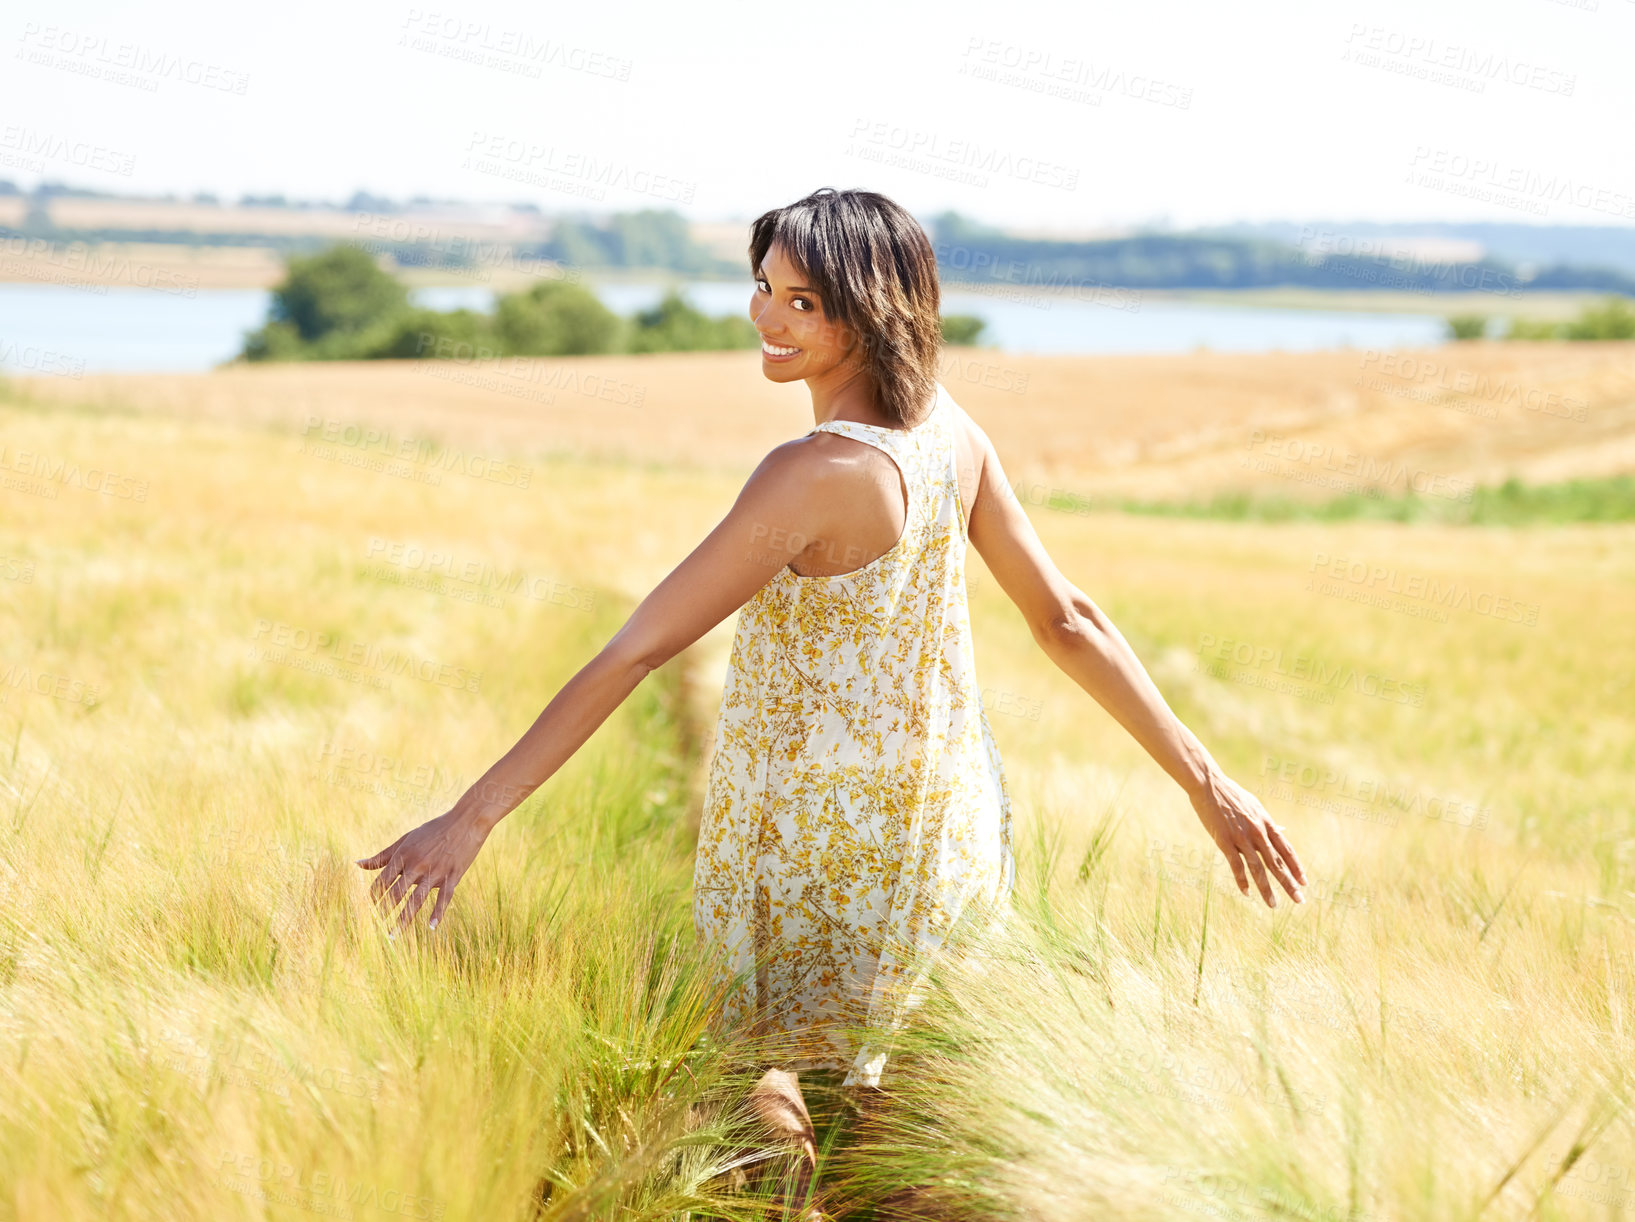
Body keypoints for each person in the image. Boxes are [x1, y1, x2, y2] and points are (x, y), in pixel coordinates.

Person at [356, 185, 1307, 1108]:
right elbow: (1066, 620)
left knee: (759, 1076)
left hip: (805, 838)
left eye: (802, 301)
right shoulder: (949, 430)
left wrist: (472, 817)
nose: (768, 317)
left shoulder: (813, 473)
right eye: (765, 286)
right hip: (942, 827)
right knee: (905, 1098)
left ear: (872, 310)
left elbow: (637, 650)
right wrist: (1207, 785)